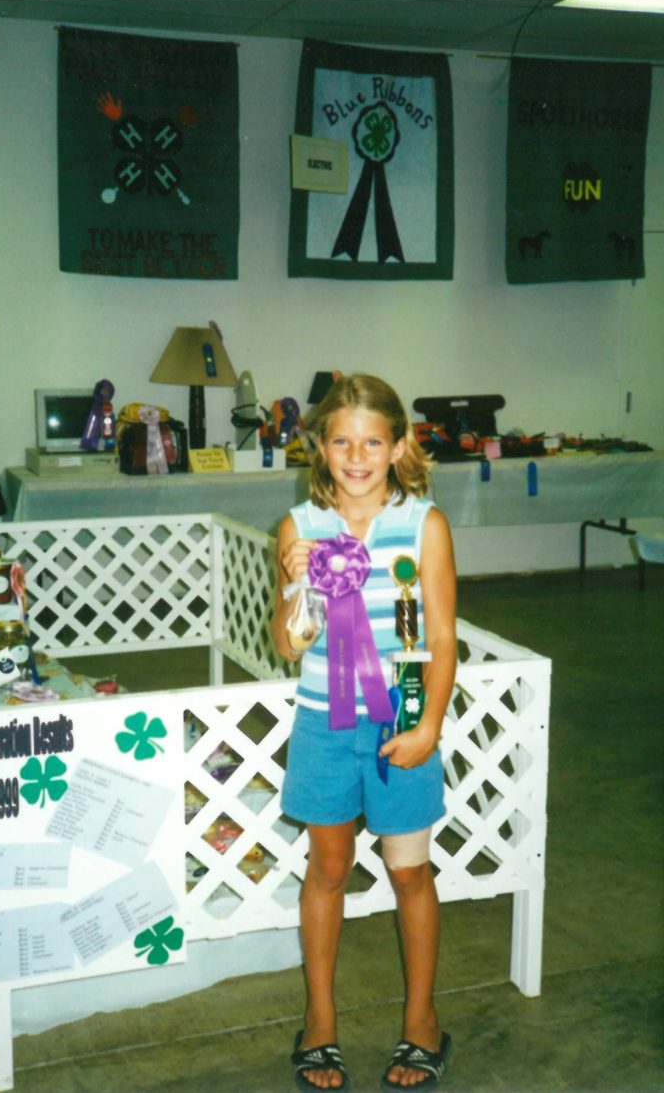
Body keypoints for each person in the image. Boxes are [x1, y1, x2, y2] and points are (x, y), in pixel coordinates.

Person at [271, 374, 456, 1092]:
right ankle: (319, 1019)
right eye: (341, 440)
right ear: (320, 447)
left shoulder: (425, 524)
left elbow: (441, 637)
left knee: (410, 870)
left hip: (403, 721)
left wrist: (430, 725)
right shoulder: (299, 526)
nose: (357, 455)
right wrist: (298, 587)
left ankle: (422, 1020)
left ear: (398, 445)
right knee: (327, 869)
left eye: (372, 441)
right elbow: (291, 645)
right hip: (324, 724)